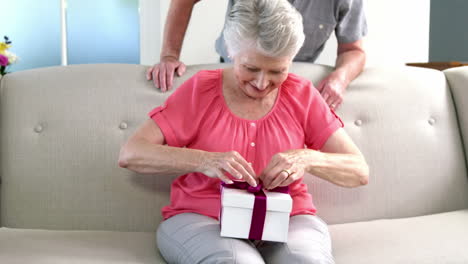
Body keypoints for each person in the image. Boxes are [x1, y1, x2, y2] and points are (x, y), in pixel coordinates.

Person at [121, 0, 369, 262]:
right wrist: (205, 160)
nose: (262, 83)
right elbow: (132, 153)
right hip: (203, 218)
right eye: (250, 69)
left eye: (277, 71)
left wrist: (306, 158)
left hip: (287, 219)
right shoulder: (201, 90)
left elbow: (358, 171)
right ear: (231, 51)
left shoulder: (302, 94)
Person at [146, 0, 367, 110]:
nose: (261, 83)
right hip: (232, 71)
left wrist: (341, 78)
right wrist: (169, 56)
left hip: (292, 81)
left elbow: (354, 51)